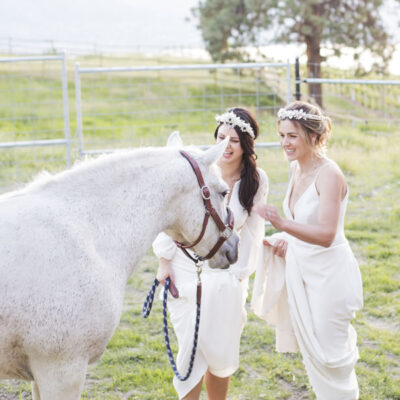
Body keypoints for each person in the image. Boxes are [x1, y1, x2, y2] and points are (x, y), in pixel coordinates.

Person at [152, 107, 268, 400]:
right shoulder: (200, 170)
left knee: (220, 352)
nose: (225, 146)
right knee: (191, 350)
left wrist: (240, 276)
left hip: (228, 274)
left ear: (246, 146)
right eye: (221, 137)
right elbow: (171, 217)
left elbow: (253, 231)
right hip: (186, 270)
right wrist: (164, 262)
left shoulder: (255, 181)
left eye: (234, 140)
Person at [251, 101, 363, 400]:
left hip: (330, 276)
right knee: (313, 355)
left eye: (292, 136)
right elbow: (305, 225)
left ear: (314, 136)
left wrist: (282, 223)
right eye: (282, 134)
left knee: (331, 357)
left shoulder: (329, 174)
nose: (285, 143)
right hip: (304, 271)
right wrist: (284, 241)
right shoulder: (295, 168)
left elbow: (327, 234)